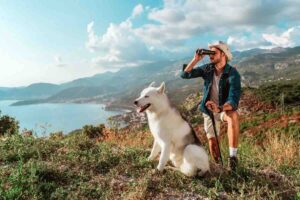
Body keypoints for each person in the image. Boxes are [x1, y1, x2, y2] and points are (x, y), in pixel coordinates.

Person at [180, 41, 241, 172]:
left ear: (223, 54)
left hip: (223, 108)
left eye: (214, 53)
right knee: (213, 144)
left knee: (233, 116)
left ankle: (232, 158)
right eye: (209, 53)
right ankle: (219, 168)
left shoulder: (233, 74)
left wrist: (219, 108)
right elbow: (185, 75)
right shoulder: (208, 69)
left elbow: (233, 100)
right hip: (208, 111)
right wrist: (195, 60)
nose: (210, 56)